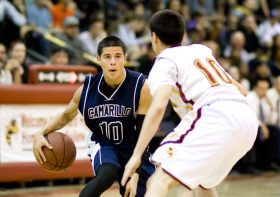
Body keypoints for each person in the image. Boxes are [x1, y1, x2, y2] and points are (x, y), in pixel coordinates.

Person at [122, 10, 258, 197]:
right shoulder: (201, 51)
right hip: (247, 119)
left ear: (153, 37)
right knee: (202, 181)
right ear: (183, 35)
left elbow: (159, 106)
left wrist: (136, 155)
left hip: (216, 116)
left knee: (158, 180)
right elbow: (240, 90)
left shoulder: (164, 61)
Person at [33, 36, 155, 197]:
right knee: (108, 173)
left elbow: (143, 135)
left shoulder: (142, 87)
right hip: (104, 143)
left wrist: (136, 173)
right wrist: (39, 133)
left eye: (118, 56)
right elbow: (65, 116)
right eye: (107, 57)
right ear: (99, 60)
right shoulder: (86, 89)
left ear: (125, 58)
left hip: (134, 147)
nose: (113, 62)